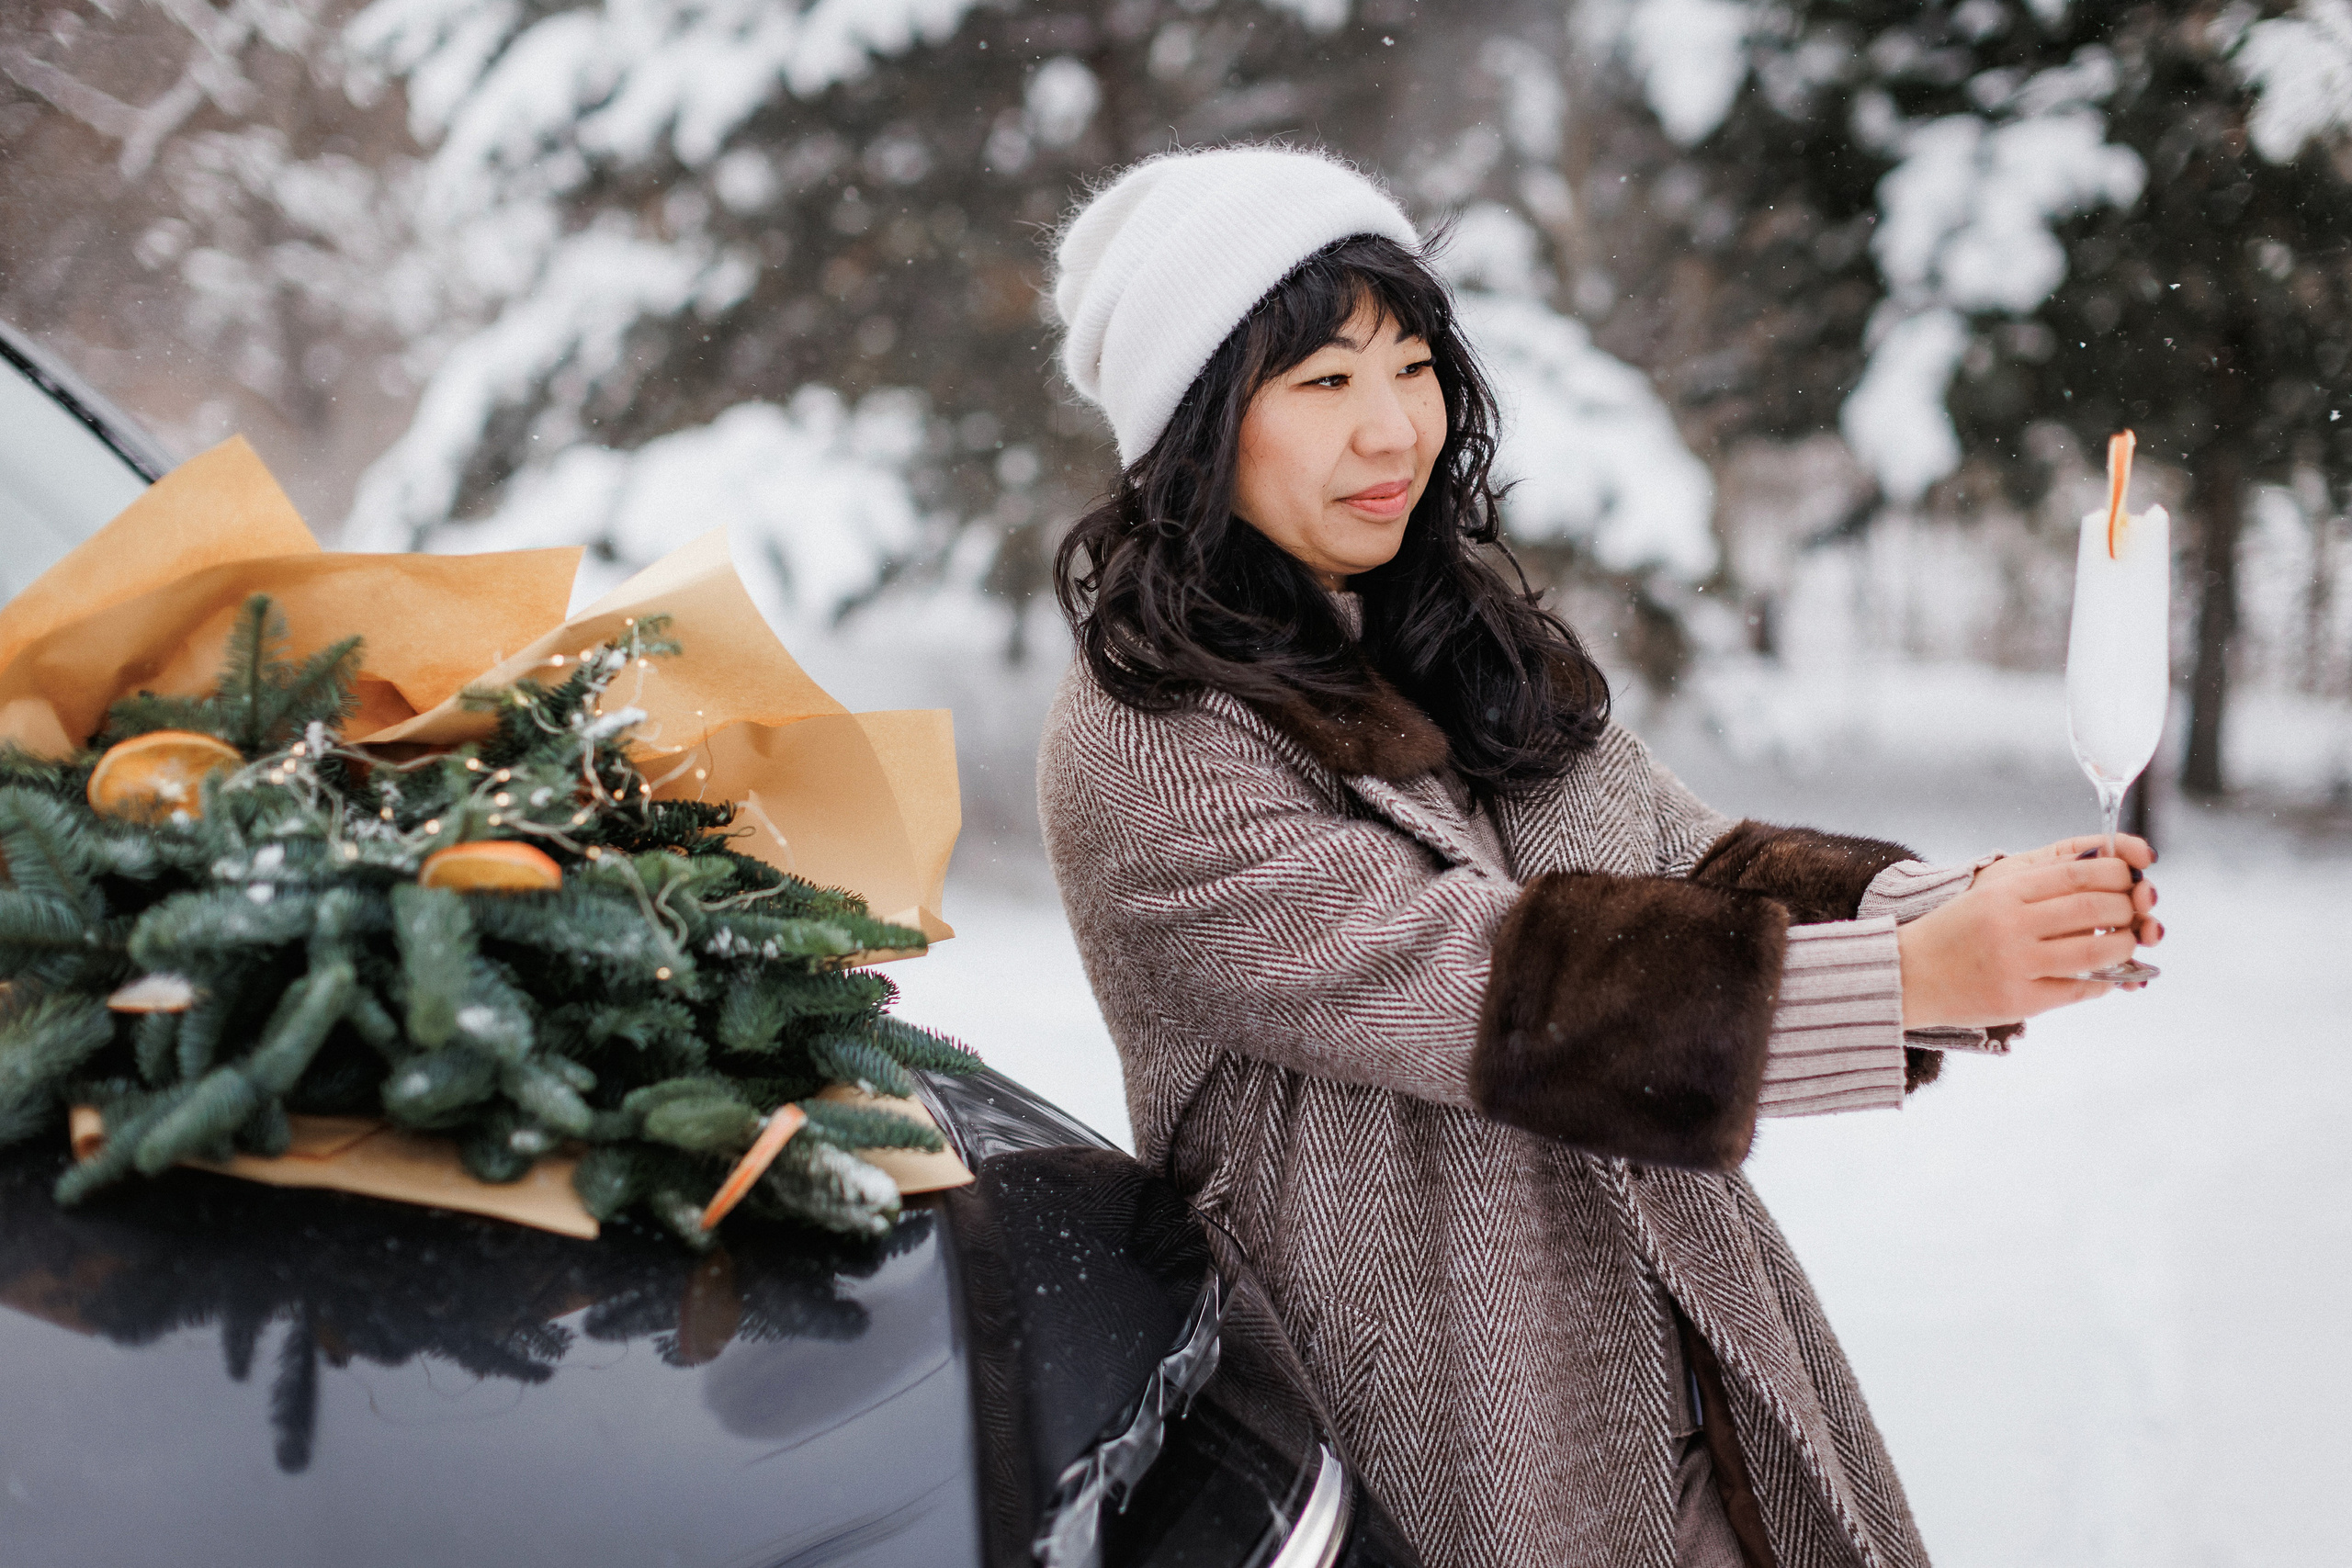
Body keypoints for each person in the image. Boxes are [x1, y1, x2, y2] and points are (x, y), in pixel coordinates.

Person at [1036, 146, 2160, 1568]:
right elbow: (1484, 992)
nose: (1392, 432)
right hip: (1440, 1424)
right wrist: (1904, 977)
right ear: (1196, 425)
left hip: (1690, 1356)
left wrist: (1964, 912)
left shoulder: (1452, 642)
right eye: (1323, 384)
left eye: (1413, 367)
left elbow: (1693, 861)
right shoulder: (1150, 737)